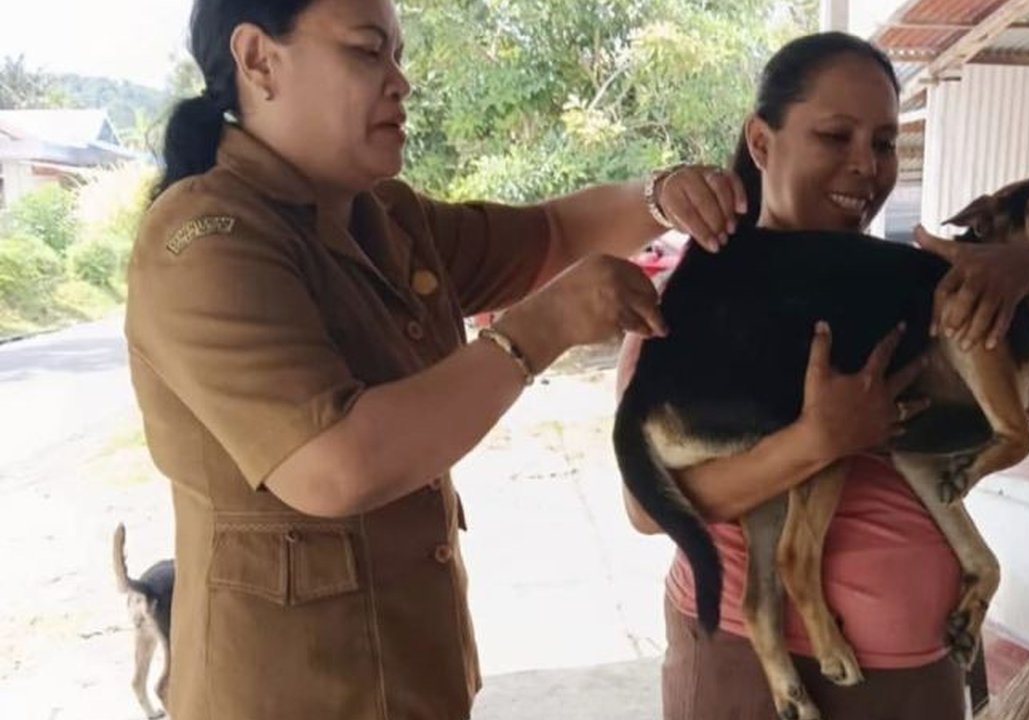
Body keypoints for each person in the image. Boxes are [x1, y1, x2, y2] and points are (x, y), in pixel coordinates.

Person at [125, 0, 746, 718]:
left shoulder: (384, 219)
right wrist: (538, 329)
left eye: (397, 54)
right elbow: (334, 464)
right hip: (289, 694)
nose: (400, 82)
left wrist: (661, 197)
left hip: (415, 679)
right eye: (367, 52)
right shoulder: (206, 242)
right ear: (260, 60)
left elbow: (552, 231)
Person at [617, 31, 1029, 720]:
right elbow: (646, 507)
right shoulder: (706, 297)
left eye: (882, 144)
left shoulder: (908, 285)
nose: (864, 167)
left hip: (918, 670)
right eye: (834, 137)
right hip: (747, 670)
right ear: (762, 143)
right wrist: (817, 440)